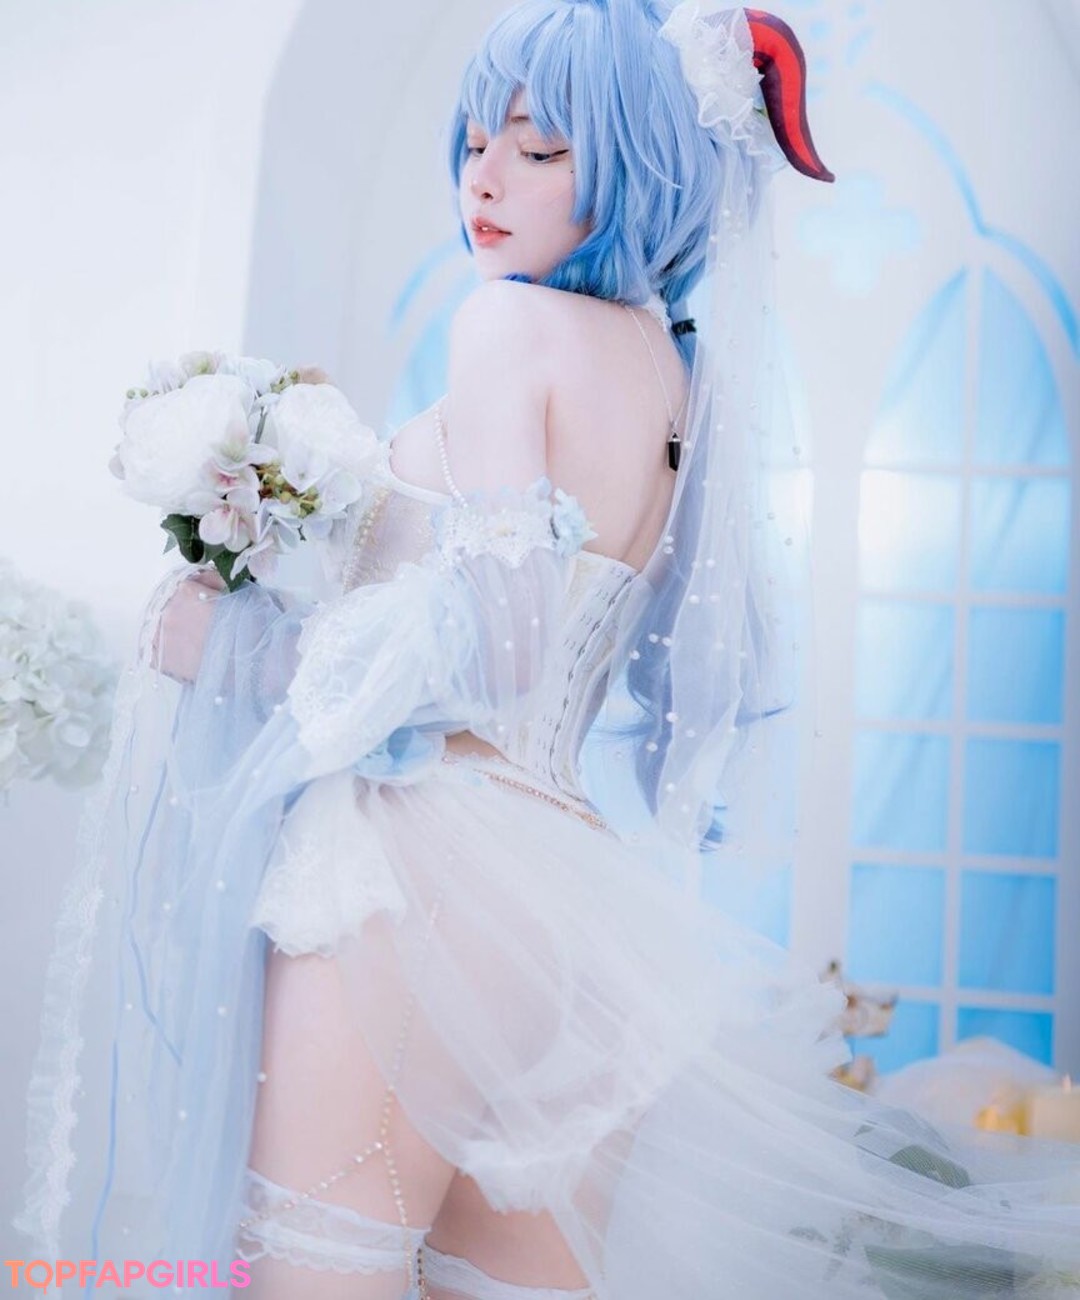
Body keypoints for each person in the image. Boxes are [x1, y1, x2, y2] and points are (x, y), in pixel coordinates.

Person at [14, 2, 1080, 1298]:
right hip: (571, 918)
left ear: (638, 161)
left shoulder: (504, 327)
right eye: (475, 142)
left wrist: (238, 648)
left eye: (538, 147)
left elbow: (499, 643)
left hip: (419, 871)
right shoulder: (677, 379)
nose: (485, 177)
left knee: (315, 1272)